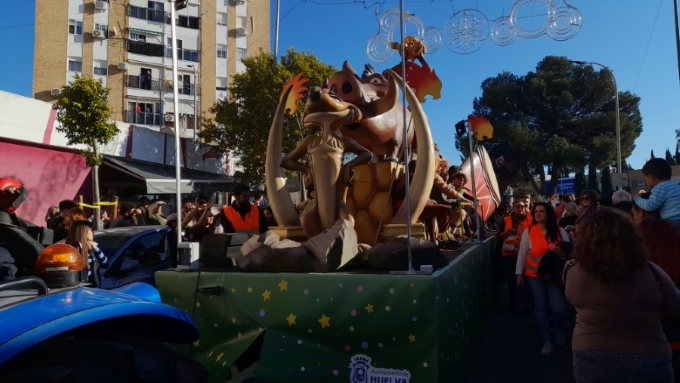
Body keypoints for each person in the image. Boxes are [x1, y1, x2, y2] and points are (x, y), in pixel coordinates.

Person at [565, 208, 680, 383]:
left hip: (590, 357)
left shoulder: (572, 272)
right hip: (647, 358)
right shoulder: (651, 272)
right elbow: (676, 308)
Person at [516, 202, 570, 355]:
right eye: (536, 212)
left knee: (558, 308)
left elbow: (568, 254)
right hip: (534, 277)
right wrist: (518, 273)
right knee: (541, 308)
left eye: (542, 211)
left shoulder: (560, 232)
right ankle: (547, 340)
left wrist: (559, 252)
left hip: (555, 276)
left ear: (549, 214)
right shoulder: (529, 231)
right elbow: (523, 253)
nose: (538, 214)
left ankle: (558, 331)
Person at [497, 200, 532, 309]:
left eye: (523, 207)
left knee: (525, 280)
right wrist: (507, 232)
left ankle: (525, 304)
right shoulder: (506, 220)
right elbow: (500, 236)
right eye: (518, 206)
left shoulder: (529, 221)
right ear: (513, 207)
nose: (520, 208)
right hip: (509, 255)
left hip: (525, 255)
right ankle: (514, 303)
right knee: (511, 280)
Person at [634, 158, 680, 231]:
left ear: (650, 178)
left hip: (673, 221)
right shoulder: (675, 185)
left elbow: (650, 205)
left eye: (645, 179)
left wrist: (637, 199)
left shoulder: (659, 188)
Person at [65, 220, 108, 287]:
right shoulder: (71, 252)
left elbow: (105, 263)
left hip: (93, 288)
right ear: (84, 232)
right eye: (91, 230)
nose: (93, 233)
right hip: (80, 289)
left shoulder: (91, 249)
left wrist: (96, 249)